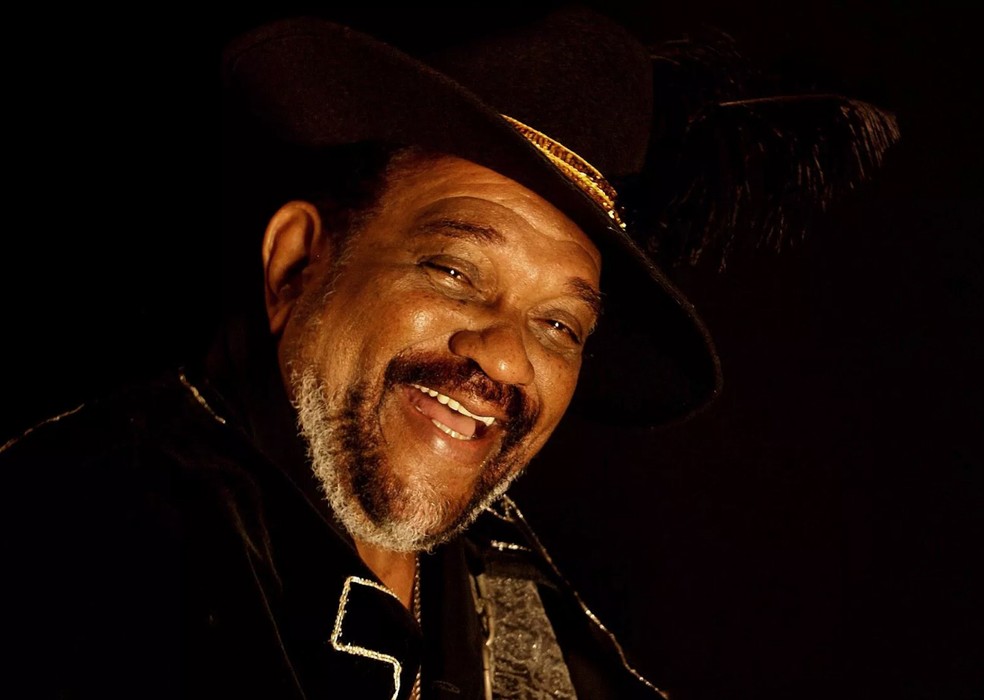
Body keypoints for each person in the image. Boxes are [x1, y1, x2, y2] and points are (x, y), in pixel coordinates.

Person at [3, 6, 897, 699]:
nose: (506, 361)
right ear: (296, 265)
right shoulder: (75, 537)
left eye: (559, 325)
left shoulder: (527, 609)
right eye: (456, 272)